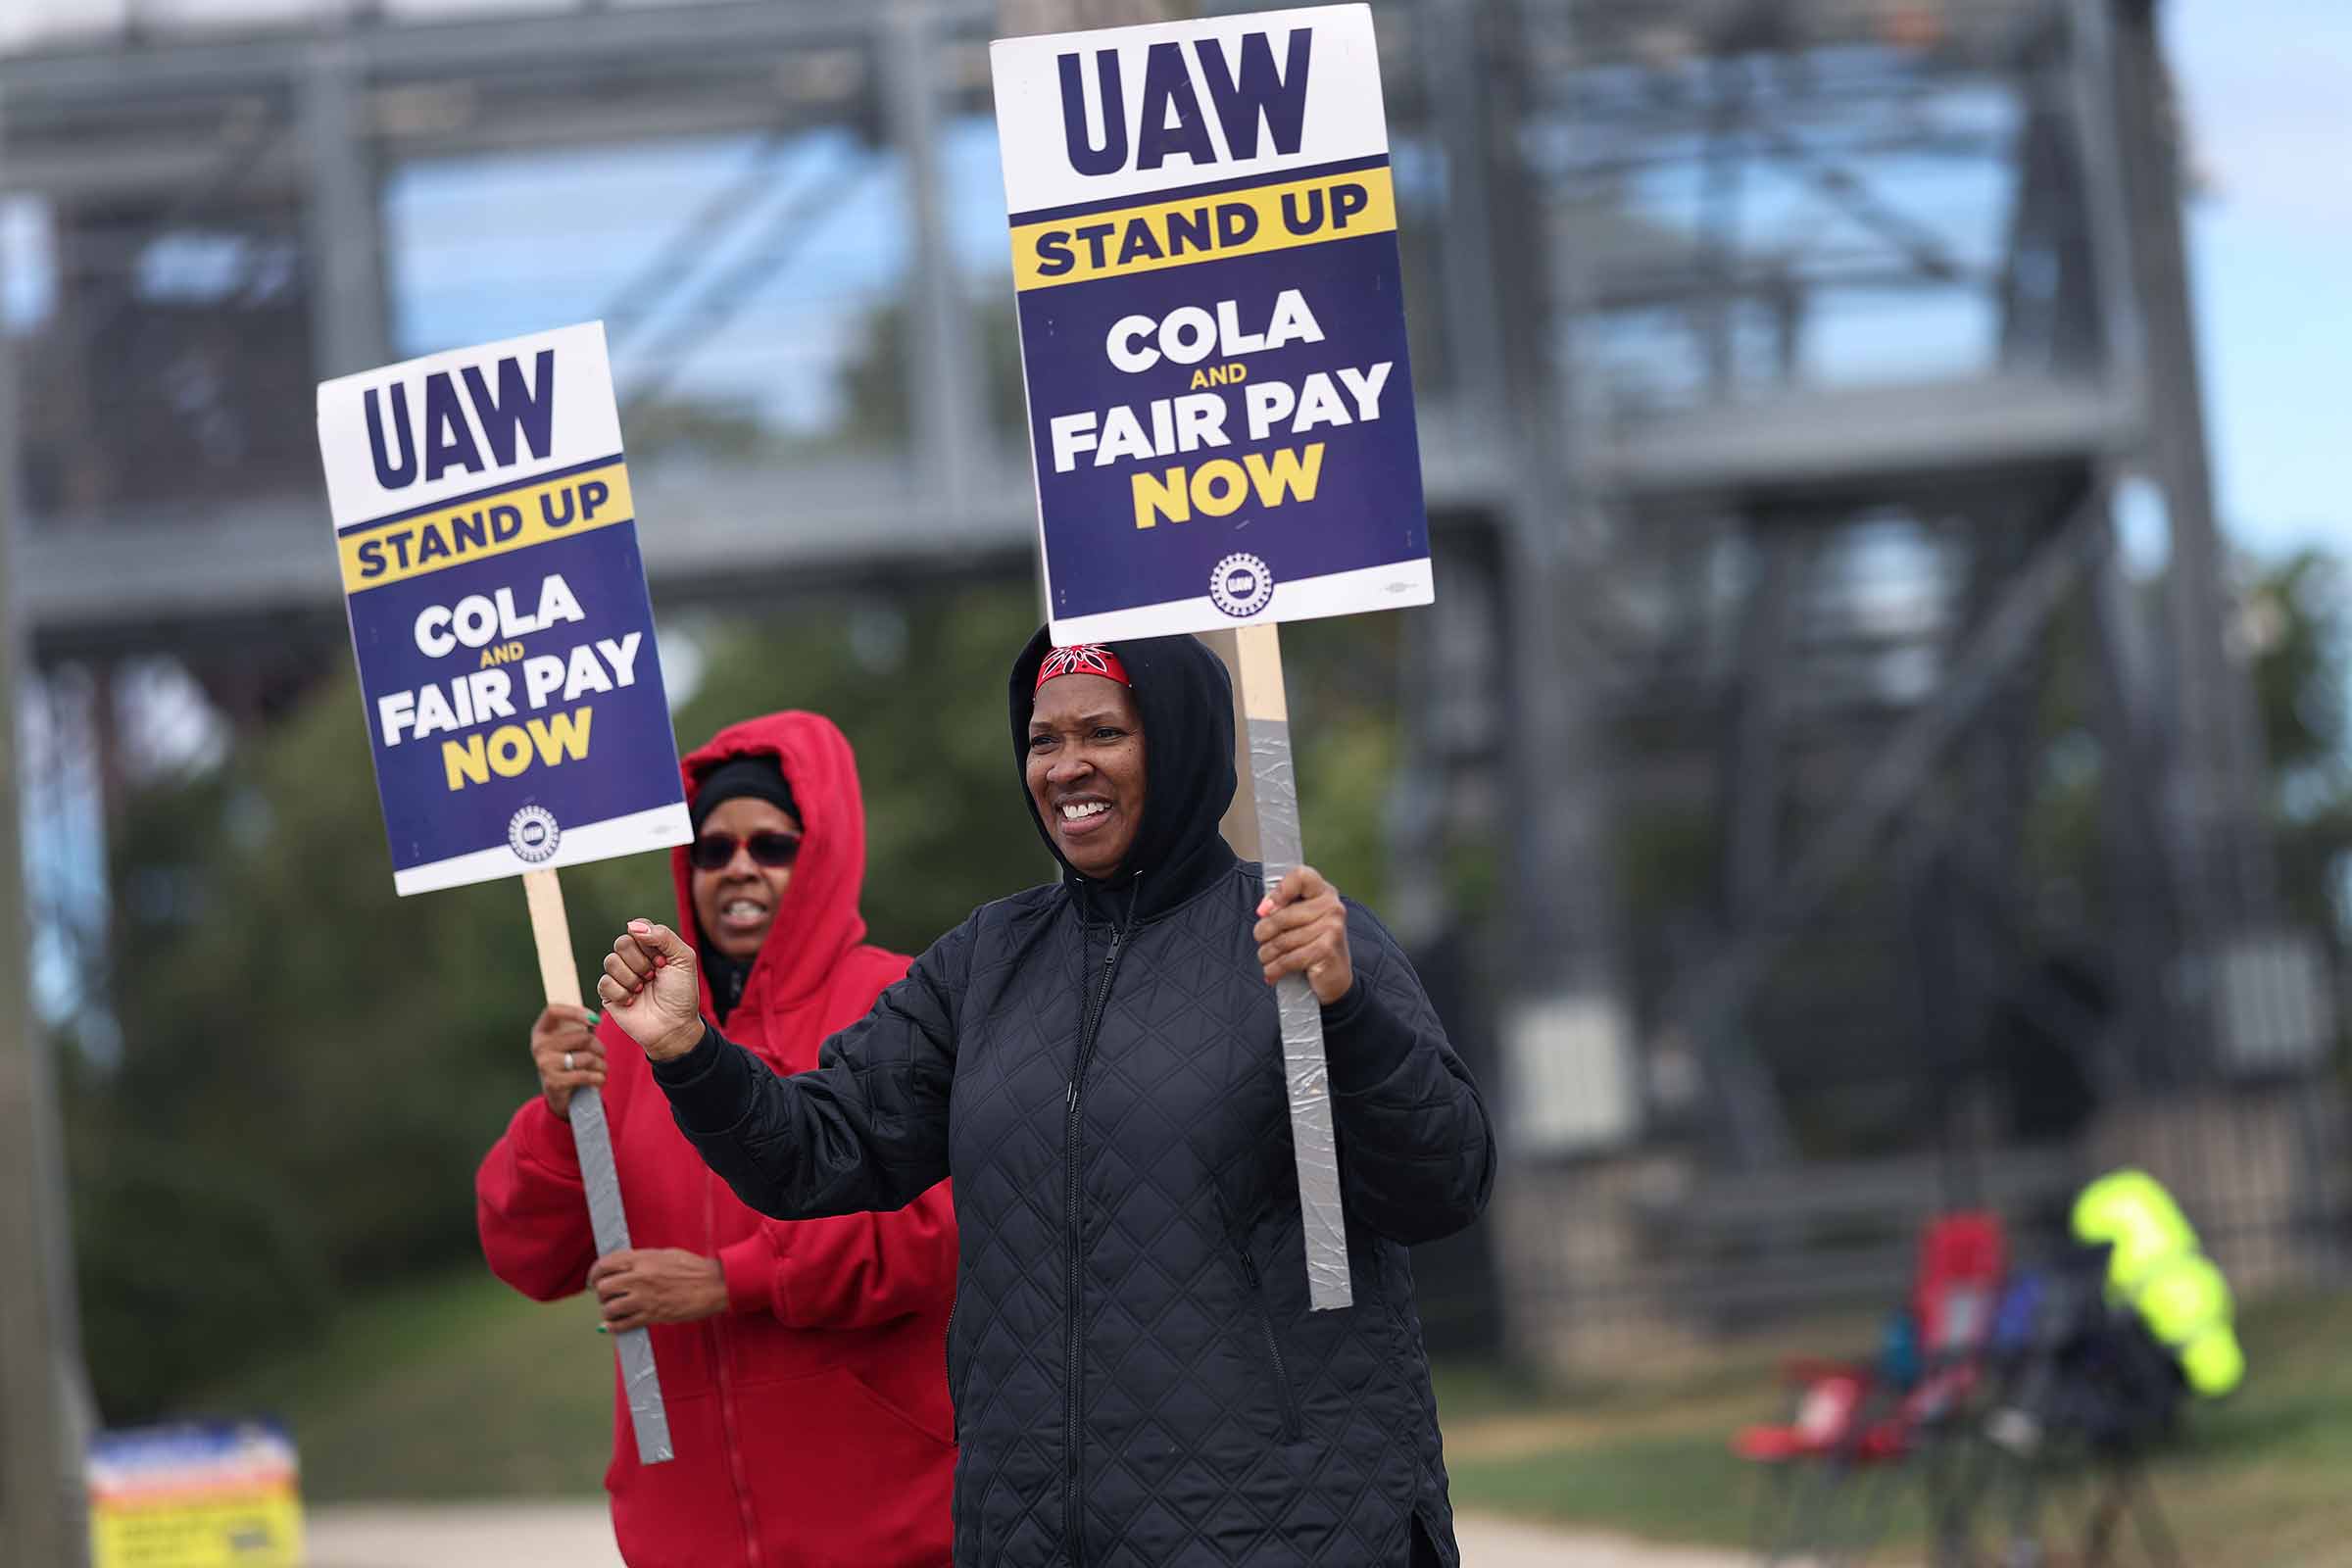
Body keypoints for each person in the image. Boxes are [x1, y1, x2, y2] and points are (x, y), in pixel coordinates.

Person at [597, 633, 1494, 1567]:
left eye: (1104, 732)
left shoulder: (1300, 941)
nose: (1068, 767)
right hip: (1037, 1537)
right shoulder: (986, 962)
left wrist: (1348, 1012)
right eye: (1042, 740)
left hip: (1290, 1529)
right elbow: (814, 1150)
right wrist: (691, 1052)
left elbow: (1443, 1186)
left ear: (1179, 742)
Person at [475, 711, 956, 1568]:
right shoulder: (624, 1038)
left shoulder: (899, 1000)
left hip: (891, 1527)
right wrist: (556, 1115)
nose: (739, 867)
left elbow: (941, 1231)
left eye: (770, 845)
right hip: (684, 1536)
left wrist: (731, 1281)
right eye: (712, 848)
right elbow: (525, 1255)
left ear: (824, 852)